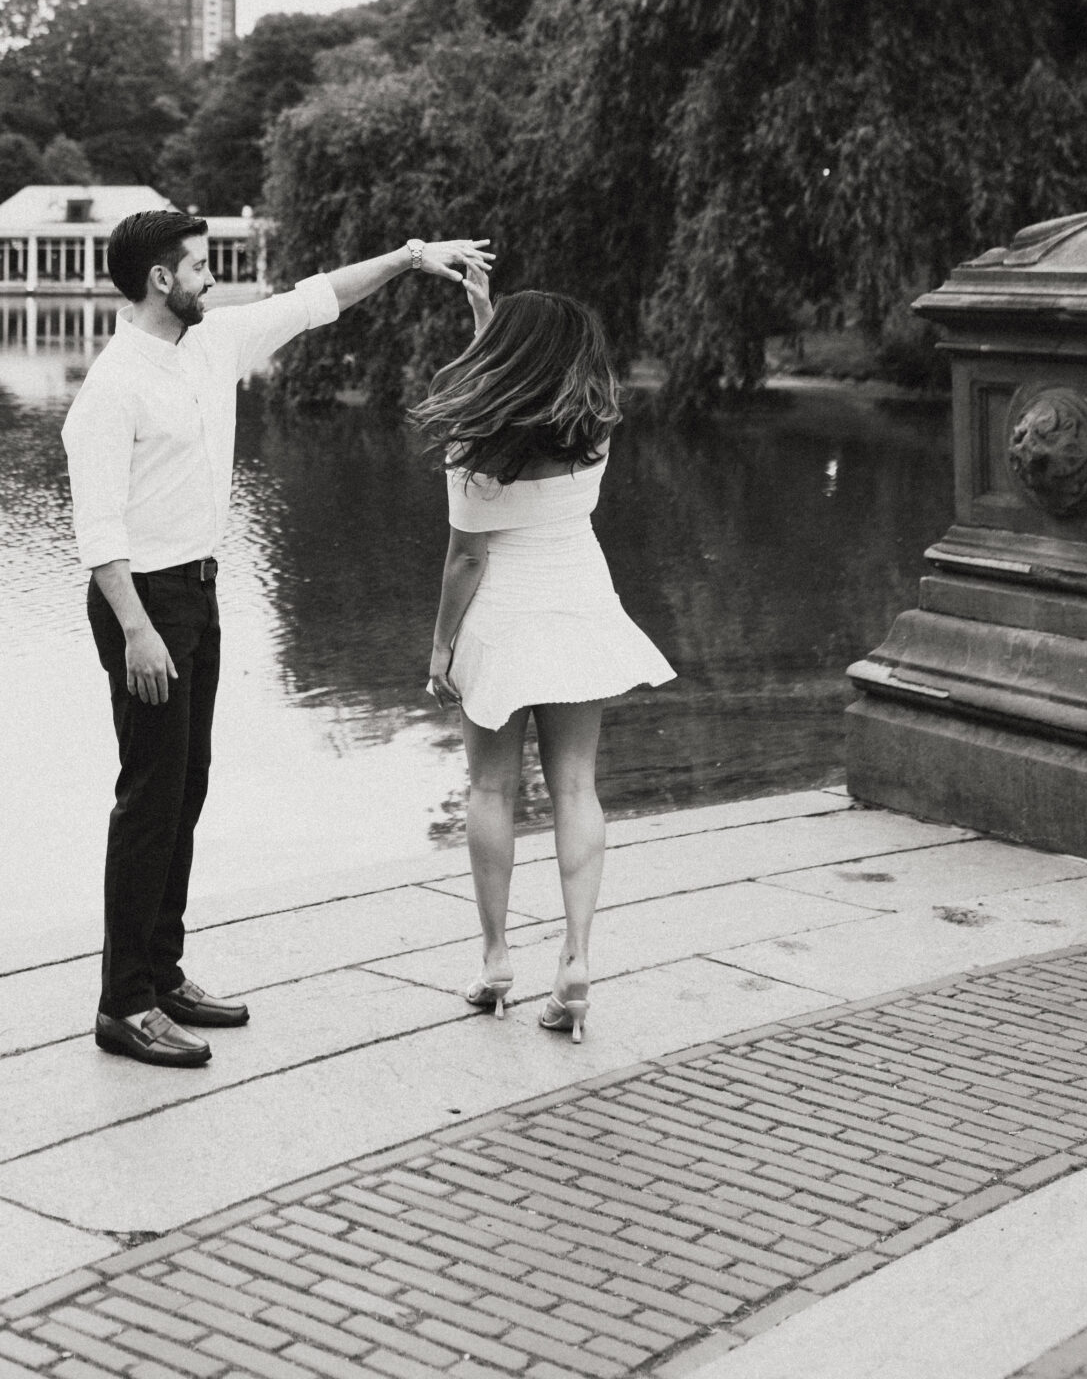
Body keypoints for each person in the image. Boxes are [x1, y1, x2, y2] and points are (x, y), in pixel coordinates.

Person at [64, 207, 493, 1069]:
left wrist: (411, 254)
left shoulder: (210, 344)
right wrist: (139, 633)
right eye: (199, 267)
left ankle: (164, 971)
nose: (211, 278)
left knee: (186, 788)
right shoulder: (112, 387)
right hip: (142, 605)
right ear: (160, 280)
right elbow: (97, 531)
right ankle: (124, 1005)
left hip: (197, 589)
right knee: (147, 798)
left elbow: (315, 299)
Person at [412, 269, 673, 1040]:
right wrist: (486, 319)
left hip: (501, 620)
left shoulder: (473, 446)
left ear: (502, 354)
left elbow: (466, 560)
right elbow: (527, 386)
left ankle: (495, 960)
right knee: (575, 789)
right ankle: (577, 961)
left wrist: (439, 651)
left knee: (490, 792)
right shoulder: (594, 431)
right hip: (578, 609)